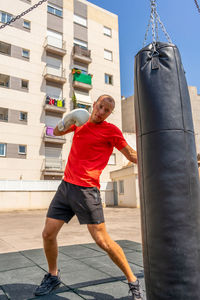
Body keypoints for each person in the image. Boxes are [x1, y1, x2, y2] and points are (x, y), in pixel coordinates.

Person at [34, 95, 143, 300]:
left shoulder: (111, 131)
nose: (101, 112)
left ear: (110, 114)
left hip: (87, 191)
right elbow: (56, 132)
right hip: (66, 188)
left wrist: (158, 159)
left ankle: (132, 280)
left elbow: (130, 154)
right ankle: (53, 275)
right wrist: (68, 118)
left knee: (102, 240)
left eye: (107, 110)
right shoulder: (80, 122)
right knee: (48, 234)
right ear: (94, 105)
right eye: (100, 107)